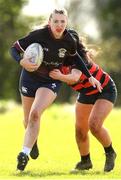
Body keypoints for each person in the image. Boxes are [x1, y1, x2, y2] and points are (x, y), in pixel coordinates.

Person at [10, 8, 102, 171]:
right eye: (56, 21)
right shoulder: (38, 35)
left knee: (35, 114)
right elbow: (14, 48)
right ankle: (33, 142)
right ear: (50, 22)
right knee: (27, 120)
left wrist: (90, 76)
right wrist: (21, 61)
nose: (59, 25)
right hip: (29, 78)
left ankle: (23, 154)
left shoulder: (69, 40)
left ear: (66, 23)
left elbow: (76, 59)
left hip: (50, 80)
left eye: (62, 21)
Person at [49, 48, 117, 172]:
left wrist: (59, 76)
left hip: (104, 89)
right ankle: (85, 161)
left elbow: (74, 78)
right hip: (86, 93)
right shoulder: (55, 60)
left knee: (94, 125)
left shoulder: (79, 58)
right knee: (80, 130)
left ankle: (110, 152)